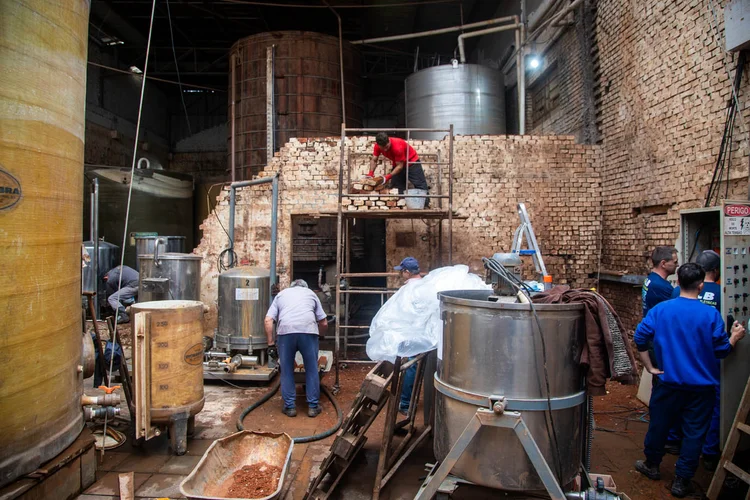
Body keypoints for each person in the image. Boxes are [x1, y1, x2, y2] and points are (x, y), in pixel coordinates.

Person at [633, 263, 745, 498]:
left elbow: (640, 337)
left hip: (668, 383)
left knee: (659, 425)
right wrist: (734, 337)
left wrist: (650, 367)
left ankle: (651, 465)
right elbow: (721, 350)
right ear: (701, 285)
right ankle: (682, 481)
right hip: (701, 389)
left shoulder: (662, 310)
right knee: (694, 434)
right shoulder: (710, 314)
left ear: (677, 282)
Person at [667, 250, 723, 468]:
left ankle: (673, 440)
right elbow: (722, 339)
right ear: (716, 271)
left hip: (677, 357)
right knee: (709, 407)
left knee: (676, 401)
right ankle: (709, 452)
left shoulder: (675, 293)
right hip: (706, 360)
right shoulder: (722, 294)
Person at [264, 279, 328, 418]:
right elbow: (323, 322)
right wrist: (320, 336)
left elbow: (268, 320)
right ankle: (312, 407)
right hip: (308, 332)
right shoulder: (311, 294)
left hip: (286, 333)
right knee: (311, 369)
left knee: (286, 370)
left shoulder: (281, 295)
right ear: (304, 287)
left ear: (291, 287)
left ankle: (290, 407)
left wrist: (270, 344)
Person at [393, 257, 422, 415]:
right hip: (423, 332)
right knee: (419, 365)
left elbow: (402, 311)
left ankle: (405, 404)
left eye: (402, 271)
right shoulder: (425, 284)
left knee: (409, 365)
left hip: (412, 332)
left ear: (407, 272)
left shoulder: (408, 290)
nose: (400, 274)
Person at [368, 132, 430, 207]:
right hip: (397, 163)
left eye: (387, 147)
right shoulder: (377, 146)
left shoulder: (397, 146)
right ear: (378, 145)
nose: (385, 149)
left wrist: (387, 177)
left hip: (412, 162)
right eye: (383, 148)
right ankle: (399, 206)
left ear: (389, 141)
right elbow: (374, 160)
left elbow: (400, 166)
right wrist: (370, 174)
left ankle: (425, 206)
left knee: (420, 185)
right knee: (396, 187)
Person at [642, 246, 679, 317]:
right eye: (675, 262)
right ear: (663, 264)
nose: (677, 265)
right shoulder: (660, 286)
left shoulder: (651, 278)